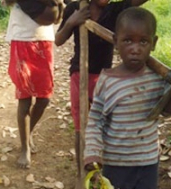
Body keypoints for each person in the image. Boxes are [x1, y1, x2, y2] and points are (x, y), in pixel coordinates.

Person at [84, 7, 171, 189]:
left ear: (154, 43)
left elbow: (166, 110)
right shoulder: (108, 80)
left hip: (148, 161)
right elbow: (96, 120)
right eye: (127, 41)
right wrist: (93, 153)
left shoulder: (159, 78)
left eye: (143, 42)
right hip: (116, 162)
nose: (135, 49)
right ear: (115, 41)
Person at [54, 0, 149, 178]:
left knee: (104, 124)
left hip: (106, 78)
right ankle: (82, 173)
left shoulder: (116, 10)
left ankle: (103, 169)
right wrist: (71, 22)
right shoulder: (76, 8)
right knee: (81, 125)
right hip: (79, 74)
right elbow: (58, 40)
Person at [1, 0, 60, 169]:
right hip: (21, 38)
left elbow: (58, 11)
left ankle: (29, 131)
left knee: (44, 98)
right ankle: (24, 147)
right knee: (25, 98)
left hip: (45, 39)